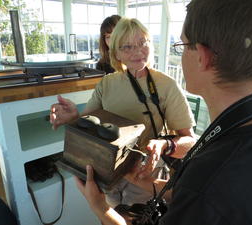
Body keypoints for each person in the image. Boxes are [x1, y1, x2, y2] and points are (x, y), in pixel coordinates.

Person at [75, 0, 252, 224]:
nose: (137, 51)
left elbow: (198, 191)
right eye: (127, 46)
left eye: (182, 45)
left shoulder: (207, 179)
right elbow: (190, 192)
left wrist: (100, 208)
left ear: (202, 56)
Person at [50, 17, 196, 207]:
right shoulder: (107, 83)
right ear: (116, 54)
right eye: (127, 47)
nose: (138, 51)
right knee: (113, 215)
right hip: (108, 170)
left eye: (142, 43)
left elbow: (190, 142)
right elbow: (89, 124)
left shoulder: (166, 85)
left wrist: (163, 146)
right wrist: (74, 117)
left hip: (144, 173)